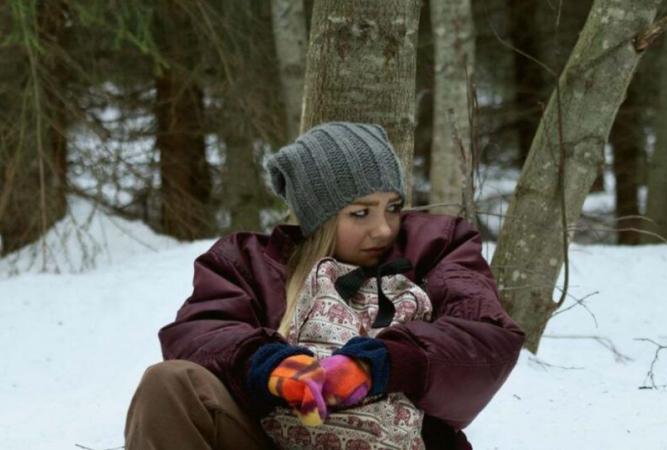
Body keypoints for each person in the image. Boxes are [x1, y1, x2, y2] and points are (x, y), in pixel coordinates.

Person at [124, 122, 525, 450]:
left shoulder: (437, 249)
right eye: (360, 213)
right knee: (168, 384)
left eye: (393, 207)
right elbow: (201, 332)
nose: (383, 228)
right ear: (320, 216)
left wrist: (380, 364)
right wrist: (270, 366)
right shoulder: (248, 263)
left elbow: (485, 338)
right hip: (273, 438)